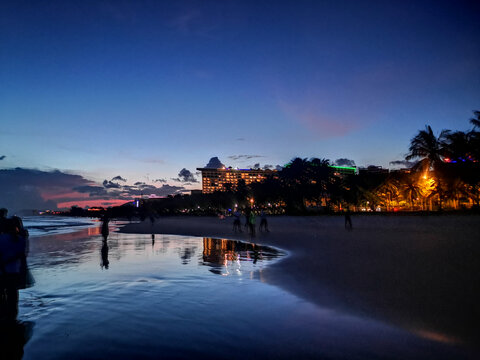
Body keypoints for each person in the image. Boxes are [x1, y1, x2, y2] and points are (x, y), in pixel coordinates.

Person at [0, 217, 32, 322]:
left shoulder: (2, 238)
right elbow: (24, 255)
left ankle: (6, 317)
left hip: (3, 271)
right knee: (13, 297)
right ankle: (12, 318)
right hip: (15, 271)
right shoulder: (20, 239)